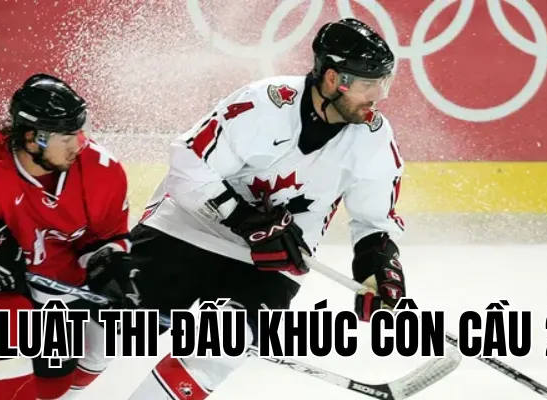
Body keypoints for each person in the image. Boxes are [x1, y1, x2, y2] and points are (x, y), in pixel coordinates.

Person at [124, 17, 408, 399]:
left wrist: (378, 267)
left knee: (217, 349)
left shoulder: (374, 138)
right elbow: (188, 164)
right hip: (188, 230)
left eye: (383, 83)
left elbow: (375, 222)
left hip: (272, 263)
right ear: (333, 79)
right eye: (368, 84)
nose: (378, 96)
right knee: (105, 328)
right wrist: (243, 219)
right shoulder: (263, 103)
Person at [0, 73, 140, 399]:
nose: (78, 145)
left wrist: (108, 264)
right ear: (32, 138)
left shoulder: (102, 171)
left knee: (52, 385)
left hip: (54, 281)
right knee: (5, 316)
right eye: (66, 137)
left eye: (79, 133)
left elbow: (108, 234)